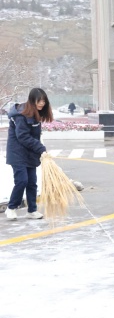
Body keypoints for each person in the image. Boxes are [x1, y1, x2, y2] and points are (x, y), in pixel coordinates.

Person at [5, 88, 54, 220]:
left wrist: (41, 150)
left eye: (44, 101)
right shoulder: (21, 115)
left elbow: (34, 136)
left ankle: (32, 210)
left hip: (30, 153)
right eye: (39, 100)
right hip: (17, 153)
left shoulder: (34, 113)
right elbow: (23, 137)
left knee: (32, 182)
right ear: (32, 100)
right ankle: (11, 207)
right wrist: (40, 148)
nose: (42, 103)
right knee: (22, 181)